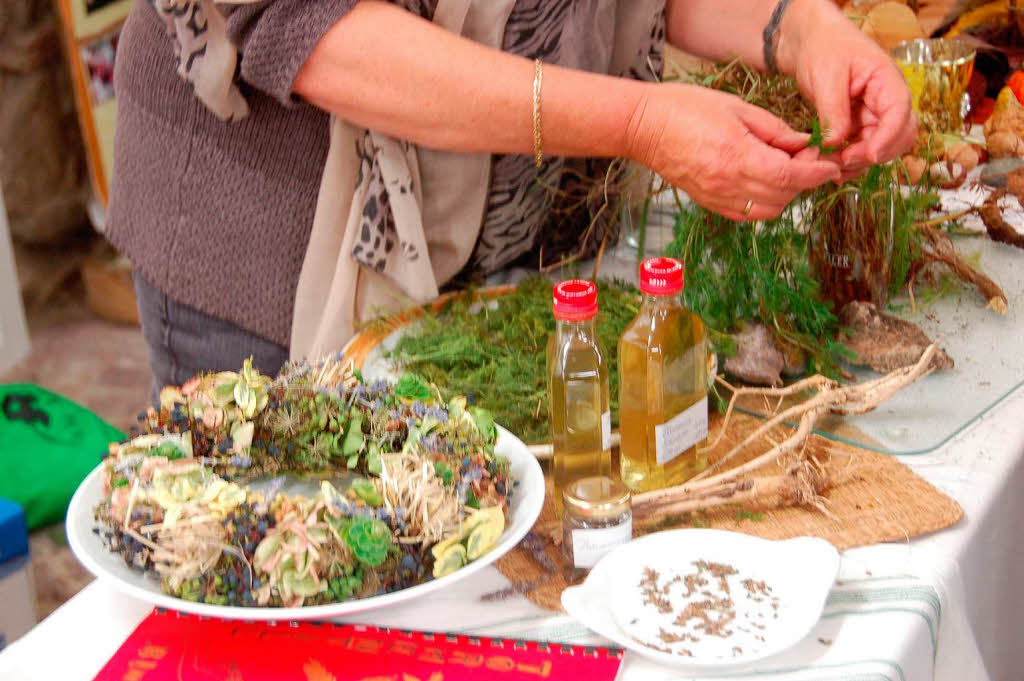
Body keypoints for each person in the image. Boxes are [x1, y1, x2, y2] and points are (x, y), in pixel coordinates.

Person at [106, 0, 916, 403]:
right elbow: (303, 26)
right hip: (273, 262)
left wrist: (798, 29)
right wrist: (635, 120)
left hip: (513, 243)